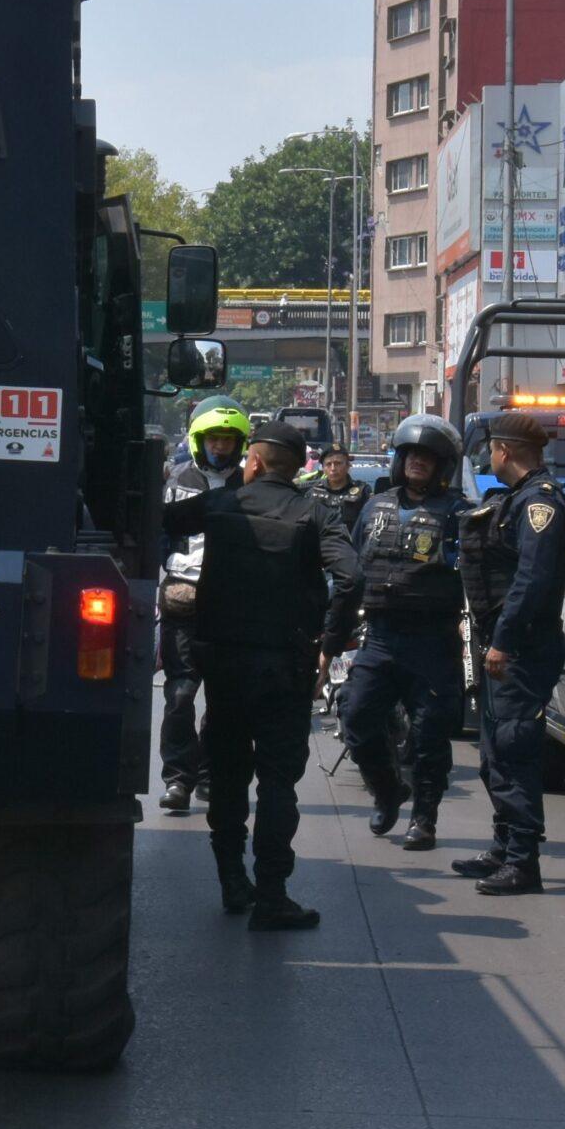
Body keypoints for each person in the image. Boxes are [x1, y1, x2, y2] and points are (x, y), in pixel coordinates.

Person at [162, 419, 360, 930]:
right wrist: (329, 646)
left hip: (224, 666)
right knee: (277, 782)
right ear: (299, 468)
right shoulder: (314, 513)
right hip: (286, 669)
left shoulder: (221, 505)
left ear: (253, 462)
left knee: (227, 776)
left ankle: (232, 880)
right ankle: (272, 894)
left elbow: (157, 522)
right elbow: (351, 576)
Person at [324, 415, 469, 850]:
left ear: (442, 465)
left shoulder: (459, 514)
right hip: (381, 636)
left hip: (433, 640)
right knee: (355, 713)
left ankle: (424, 819)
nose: (418, 463)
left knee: (430, 735)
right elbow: (348, 568)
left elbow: (475, 577)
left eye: (427, 457)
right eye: (412, 455)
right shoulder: (375, 506)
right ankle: (387, 790)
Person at [451, 411, 565, 896]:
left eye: (493, 450)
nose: (490, 458)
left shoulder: (539, 505)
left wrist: (503, 640)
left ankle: (523, 861)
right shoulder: (519, 500)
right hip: (503, 644)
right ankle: (504, 847)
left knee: (515, 749)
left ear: (506, 451)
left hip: (521, 648)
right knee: (493, 753)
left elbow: (532, 580)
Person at [156, 397, 249, 813]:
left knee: (224, 699)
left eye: (229, 440)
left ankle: (211, 776)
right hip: (182, 601)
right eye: (214, 439)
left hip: (233, 606)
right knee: (179, 696)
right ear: (199, 440)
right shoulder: (173, 480)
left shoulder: (250, 486)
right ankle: (178, 778)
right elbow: (154, 537)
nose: (221, 447)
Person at [307, 445, 372, 529]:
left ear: (348, 466)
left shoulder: (362, 491)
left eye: (338, 463)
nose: (333, 468)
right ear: (323, 468)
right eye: (328, 464)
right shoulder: (314, 492)